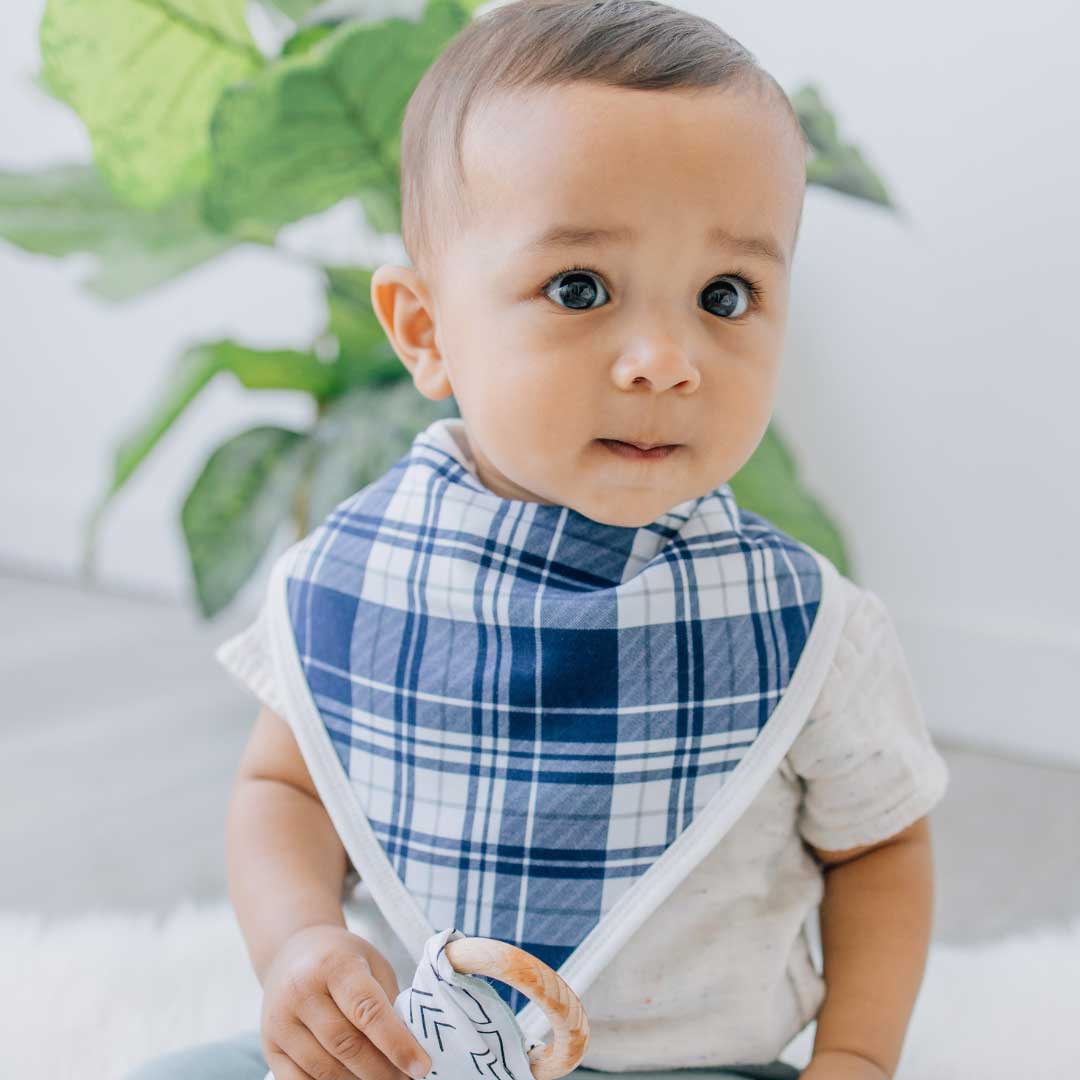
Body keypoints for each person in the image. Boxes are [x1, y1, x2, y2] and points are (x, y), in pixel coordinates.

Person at [122, 1, 949, 1078]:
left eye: (726, 294)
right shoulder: (365, 576)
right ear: (424, 329)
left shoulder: (802, 628)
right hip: (421, 1055)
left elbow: (881, 844)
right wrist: (298, 945)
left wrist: (857, 1058)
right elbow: (283, 791)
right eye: (579, 288)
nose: (664, 358)